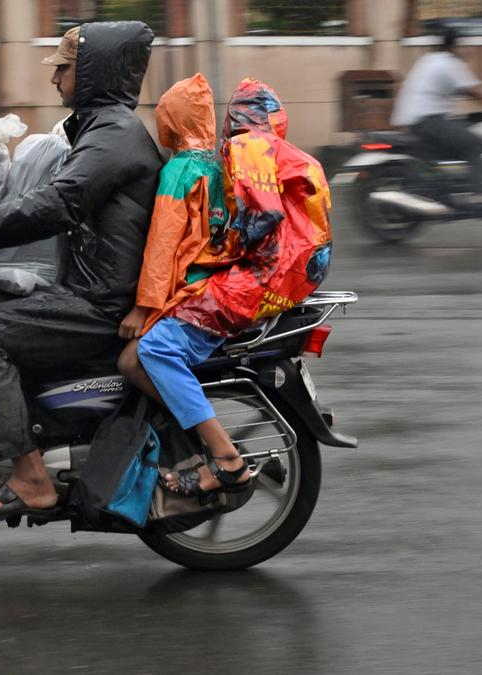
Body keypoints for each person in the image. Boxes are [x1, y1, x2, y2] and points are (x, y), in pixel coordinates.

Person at [0, 22, 162, 524]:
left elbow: (57, 204)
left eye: (62, 68)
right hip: (89, 286)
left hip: (96, 300)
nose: (54, 79)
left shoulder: (114, 135)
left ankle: (31, 478)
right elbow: (45, 196)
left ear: (89, 72)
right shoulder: (102, 130)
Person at [121, 77, 333, 500]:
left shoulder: (242, 149)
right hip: (297, 274)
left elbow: (262, 216)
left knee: (155, 350)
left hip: (267, 275)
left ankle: (227, 460)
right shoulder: (283, 154)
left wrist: (228, 246)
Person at [390, 26, 482, 206]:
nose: (467, 50)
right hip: (429, 120)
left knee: (463, 131)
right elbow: (476, 90)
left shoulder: (430, 59)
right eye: (463, 45)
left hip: (417, 120)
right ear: (454, 46)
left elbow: (468, 91)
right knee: (474, 143)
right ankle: (481, 193)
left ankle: (450, 187)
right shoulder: (449, 63)